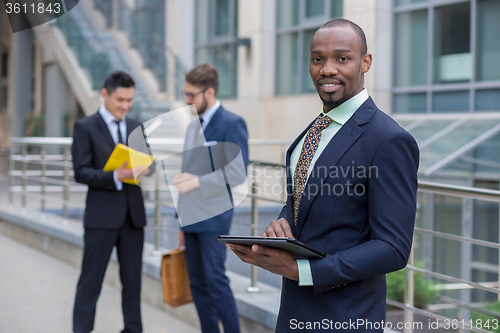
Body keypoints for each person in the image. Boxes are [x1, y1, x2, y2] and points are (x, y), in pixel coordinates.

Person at [227, 19, 419, 332]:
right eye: (318, 59)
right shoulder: (312, 132)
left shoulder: (388, 140)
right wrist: (281, 225)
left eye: (342, 58)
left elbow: (393, 248)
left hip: (345, 316)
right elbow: (304, 201)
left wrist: (302, 271)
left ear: (365, 62)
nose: (327, 69)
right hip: (295, 310)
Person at [72, 71, 152, 333]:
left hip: (133, 218)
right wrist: (115, 176)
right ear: (104, 94)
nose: (125, 106)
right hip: (101, 218)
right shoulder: (84, 127)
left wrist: (145, 169)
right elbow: (80, 172)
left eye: (129, 100)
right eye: (120, 100)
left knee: (132, 284)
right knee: (90, 283)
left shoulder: (135, 125)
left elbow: (148, 160)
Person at [173, 63, 249, 333]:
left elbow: (238, 173)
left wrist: (197, 181)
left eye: (192, 95)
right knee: (197, 284)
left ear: (210, 91)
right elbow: (186, 171)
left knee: (216, 281)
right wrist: (180, 222)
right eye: (185, 93)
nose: (187, 100)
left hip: (214, 218)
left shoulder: (232, 123)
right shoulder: (194, 125)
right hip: (191, 218)